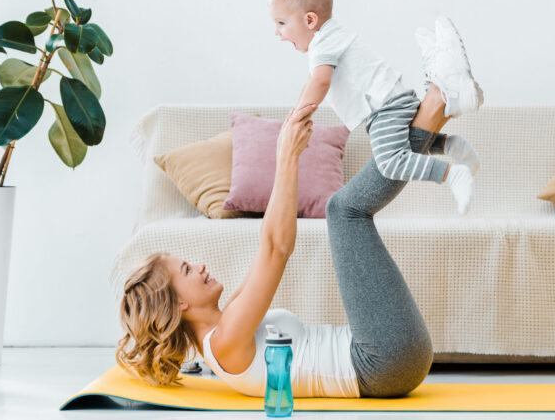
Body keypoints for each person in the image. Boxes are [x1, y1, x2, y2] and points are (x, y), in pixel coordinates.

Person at [117, 81, 460, 398]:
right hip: (383, 361)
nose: (200, 266)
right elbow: (276, 251)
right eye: (187, 270)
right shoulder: (224, 343)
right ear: (180, 305)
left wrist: (288, 148)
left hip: (388, 356)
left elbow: (264, 251)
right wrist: (287, 156)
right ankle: (438, 100)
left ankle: (439, 105)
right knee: (343, 212)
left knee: (343, 211)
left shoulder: (226, 329)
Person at [270, 0, 483, 214]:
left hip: (385, 107)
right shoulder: (330, 38)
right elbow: (311, 82)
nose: (277, 33)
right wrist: (295, 112)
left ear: (309, 20)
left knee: (390, 162)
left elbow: (319, 83)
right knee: (406, 143)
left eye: (281, 23)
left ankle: (452, 175)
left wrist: (299, 116)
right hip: (394, 99)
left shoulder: (322, 45)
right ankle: (451, 146)